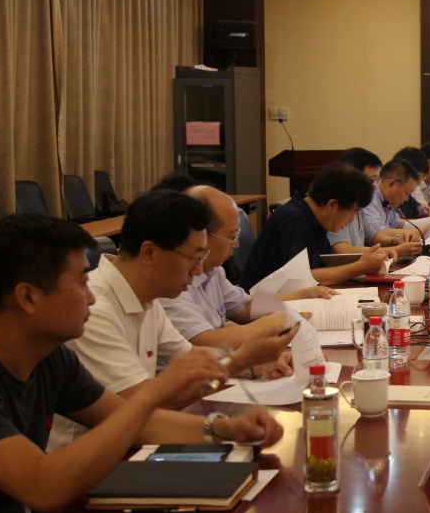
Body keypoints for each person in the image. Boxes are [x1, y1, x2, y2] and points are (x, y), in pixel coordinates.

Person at [0, 214, 282, 513]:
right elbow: (44, 488)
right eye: (80, 284)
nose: (91, 298)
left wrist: (223, 430)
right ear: (28, 298)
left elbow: (130, 422)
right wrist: (155, 394)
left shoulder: (48, 356)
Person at [50, 192, 297, 448]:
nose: (199, 270)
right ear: (149, 252)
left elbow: (191, 355)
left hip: (132, 445)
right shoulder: (92, 311)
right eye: (194, 258)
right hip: (91, 454)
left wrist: (255, 365)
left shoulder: (146, 297)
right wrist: (241, 359)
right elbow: (137, 410)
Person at [159, 186, 334, 365]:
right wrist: (273, 324)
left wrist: (302, 294)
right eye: (231, 237)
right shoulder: (172, 281)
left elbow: (245, 307)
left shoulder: (213, 270)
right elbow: (205, 341)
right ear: (201, 235)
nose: (236, 245)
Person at [239, 161, 388, 289]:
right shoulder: (292, 220)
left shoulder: (316, 219)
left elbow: (325, 265)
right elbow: (301, 278)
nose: (351, 219)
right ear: (332, 204)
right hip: (263, 303)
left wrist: (368, 260)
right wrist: (359, 267)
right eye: (353, 212)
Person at [327, 158, 422, 259]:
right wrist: (397, 250)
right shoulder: (338, 206)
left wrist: (397, 240)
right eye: (371, 180)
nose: (376, 186)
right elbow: (345, 251)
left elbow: (372, 238)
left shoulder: (359, 207)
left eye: (376, 180)